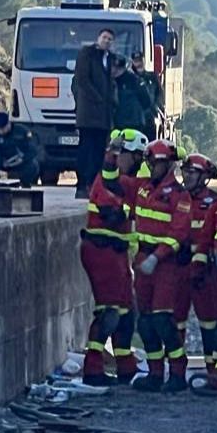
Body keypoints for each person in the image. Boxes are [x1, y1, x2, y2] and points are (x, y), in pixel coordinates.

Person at [127, 138, 195, 393]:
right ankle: (155, 373)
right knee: (144, 321)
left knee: (162, 320)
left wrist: (158, 256)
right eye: (148, 163)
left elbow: (179, 232)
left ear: (167, 165)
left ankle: (177, 372)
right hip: (144, 261)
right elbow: (116, 180)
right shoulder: (143, 188)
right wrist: (116, 152)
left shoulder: (180, 196)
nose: (151, 168)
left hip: (165, 265)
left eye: (155, 163)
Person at [80, 128, 145, 386]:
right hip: (101, 251)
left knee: (126, 313)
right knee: (109, 313)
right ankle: (93, 369)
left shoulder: (126, 182)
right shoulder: (106, 181)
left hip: (116, 253)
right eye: (135, 156)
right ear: (122, 155)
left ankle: (125, 366)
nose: (139, 162)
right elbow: (113, 210)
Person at [180, 153, 217, 390]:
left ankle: (216, 374)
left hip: (206, 275)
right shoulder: (178, 198)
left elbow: (210, 240)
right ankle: (174, 373)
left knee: (211, 324)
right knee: (174, 322)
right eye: (185, 172)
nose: (186, 177)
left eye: (191, 173)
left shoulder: (214, 204)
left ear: (203, 177)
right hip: (178, 269)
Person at [72, 28, 117, 197]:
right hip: (89, 115)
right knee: (86, 149)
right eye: (104, 37)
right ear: (98, 38)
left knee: (99, 151)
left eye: (110, 39)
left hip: (104, 117)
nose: (106, 41)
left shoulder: (110, 59)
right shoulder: (87, 54)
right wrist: (98, 99)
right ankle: (82, 184)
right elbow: (82, 79)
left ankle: (95, 185)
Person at [0, 111, 40, 187]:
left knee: (33, 164)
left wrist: (23, 159)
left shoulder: (22, 131)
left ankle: (25, 183)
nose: (1, 131)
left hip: (21, 161)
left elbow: (33, 150)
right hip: (5, 161)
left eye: (3, 128)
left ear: (8, 124)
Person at [113, 50, 158, 139]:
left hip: (133, 124)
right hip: (117, 125)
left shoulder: (135, 80)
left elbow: (148, 100)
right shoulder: (111, 82)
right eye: (136, 61)